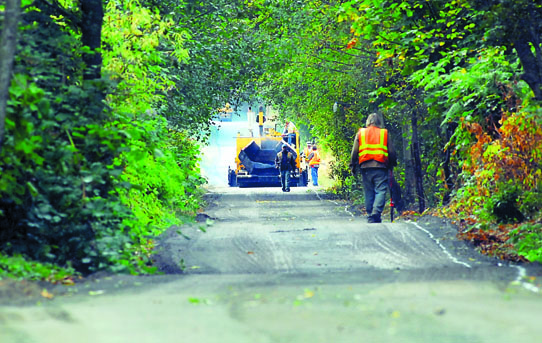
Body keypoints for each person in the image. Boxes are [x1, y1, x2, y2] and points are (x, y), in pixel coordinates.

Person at [349, 113, 397, 223]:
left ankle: (370, 213)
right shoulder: (384, 133)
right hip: (381, 166)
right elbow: (391, 151)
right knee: (380, 190)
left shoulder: (361, 133)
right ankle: (376, 212)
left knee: (368, 191)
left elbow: (354, 151)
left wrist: (352, 164)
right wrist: (393, 163)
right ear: (378, 122)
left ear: (368, 121)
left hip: (365, 167)